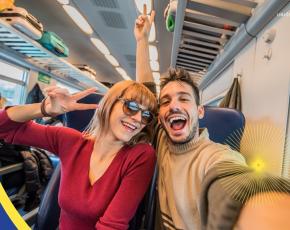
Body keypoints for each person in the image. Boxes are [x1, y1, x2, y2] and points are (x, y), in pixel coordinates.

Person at [134, 10, 290, 230]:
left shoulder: (216, 157)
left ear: (200, 112)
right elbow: (147, 92)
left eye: (183, 99)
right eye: (166, 101)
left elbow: (234, 182)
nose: (174, 106)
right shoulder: (160, 139)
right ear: (160, 115)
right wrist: (142, 40)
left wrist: (264, 207)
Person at [0, 81, 158, 230]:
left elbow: (111, 226)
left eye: (146, 115)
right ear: (109, 103)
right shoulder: (71, 141)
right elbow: (4, 128)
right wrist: (44, 109)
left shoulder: (141, 156)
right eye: (131, 106)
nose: (138, 119)